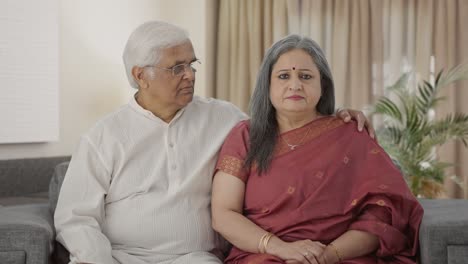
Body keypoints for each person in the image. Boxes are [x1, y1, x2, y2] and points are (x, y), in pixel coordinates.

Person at [54, 21, 376, 264]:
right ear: (141, 75)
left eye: (192, 64)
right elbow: (76, 218)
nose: (190, 75)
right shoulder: (104, 136)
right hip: (123, 258)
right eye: (177, 68)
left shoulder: (224, 119)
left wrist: (339, 116)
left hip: (196, 258)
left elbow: (287, 125)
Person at [211, 34, 423, 264]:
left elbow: (383, 215)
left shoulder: (351, 135)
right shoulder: (245, 136)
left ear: (323, 85)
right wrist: (281, 248)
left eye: (306, 76)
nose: (295, 85)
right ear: (267, 85)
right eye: (284, 76)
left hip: (342, 256)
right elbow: (224, 214)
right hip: (263, 253)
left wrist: (327, 255)